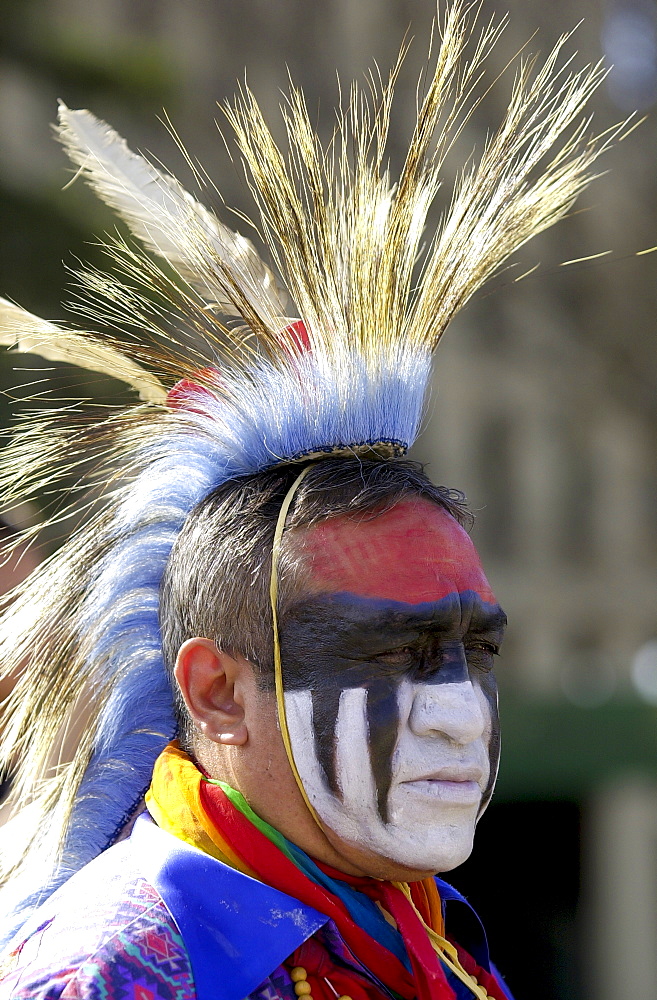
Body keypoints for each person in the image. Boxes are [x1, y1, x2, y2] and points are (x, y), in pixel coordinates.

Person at [0, 3, 614, 997]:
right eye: (392, 652)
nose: (461, 711)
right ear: (216, 693)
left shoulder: (424, 937)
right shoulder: (113, 971)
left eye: (475, 647)